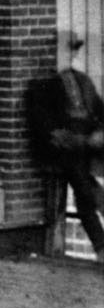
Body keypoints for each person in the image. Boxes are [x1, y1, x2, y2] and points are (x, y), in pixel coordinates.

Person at [25, 30, 104, 263]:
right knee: (81, 180)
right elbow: (47, 130)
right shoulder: (43, 85)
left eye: (73, 49)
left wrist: (99, 135)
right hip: (60, 150)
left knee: (82, 182)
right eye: (66, 49)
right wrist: (81, 141)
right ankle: (101, 243)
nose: (70, 55)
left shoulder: (83, 81)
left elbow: (101, 112)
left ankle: (101, 245)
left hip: (88, 150)